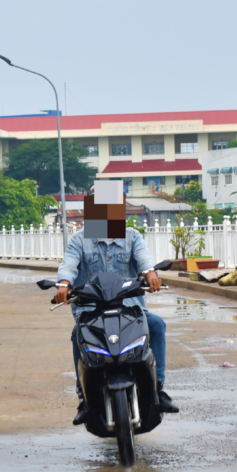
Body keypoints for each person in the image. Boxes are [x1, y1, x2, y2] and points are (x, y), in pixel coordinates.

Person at [54, 181, 178, 426]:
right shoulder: (79, 241)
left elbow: (144, 259)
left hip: (129, 308)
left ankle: (159, 389)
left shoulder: (132, 237)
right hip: (91, 311)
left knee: (156, 325)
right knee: (77, 334)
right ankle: (84, 398)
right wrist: (64, 284)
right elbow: (68, 263)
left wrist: (151, 273)